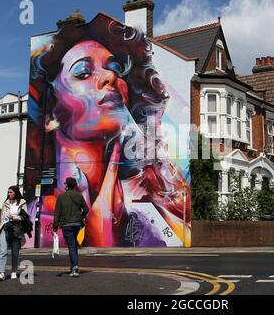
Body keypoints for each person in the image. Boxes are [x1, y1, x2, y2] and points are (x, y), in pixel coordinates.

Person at [26, 14, 191, 249]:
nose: (111, 76)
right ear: (52, 112)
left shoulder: (150, 201)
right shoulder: (38, 219)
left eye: (114, 69)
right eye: (83, 72)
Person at [53, 177, 89, 277]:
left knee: (72, 246)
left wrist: (55, 227)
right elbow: (86, 210)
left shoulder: (61, 197)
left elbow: (57, 214)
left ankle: (75, 268)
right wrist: (80, 217)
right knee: (73, 245)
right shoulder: (79, 196)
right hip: (77, 224)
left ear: (66, 185)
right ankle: (74, 265)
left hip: (66, 225)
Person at [0, 186, 28, 281]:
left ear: (15, 193)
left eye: (11, 192)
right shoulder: (6, 203)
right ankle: (1, 273)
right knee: (3, 251)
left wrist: (14, 217)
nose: (9, 194)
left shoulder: (22, 202)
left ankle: (13, 271)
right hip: (5, 228)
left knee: (15, 252)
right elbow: (2, 216)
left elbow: (25, 217)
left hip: (16, 230)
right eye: (8, 192)